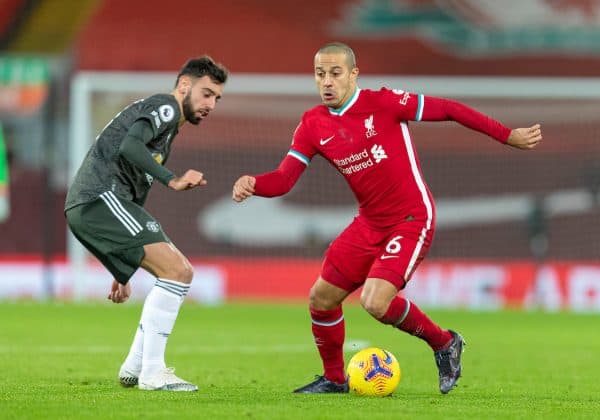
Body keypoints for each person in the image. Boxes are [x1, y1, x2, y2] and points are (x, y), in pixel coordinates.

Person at [232, 42, 542, 394]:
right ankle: (335, 379)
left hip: (411, 217)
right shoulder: (312, 124)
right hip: (369, 223)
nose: (327, 82)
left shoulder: (383, 102)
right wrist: (254, 183)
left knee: (375, 302)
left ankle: (444, 343)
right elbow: (284, 178)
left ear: (353, 74)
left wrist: (506, 135)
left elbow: (450, 109)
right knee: (321, 298)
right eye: (320, 74)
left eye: (335, 73)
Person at [65, 56, 228, 392]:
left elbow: (137, 187)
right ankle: (153, 373)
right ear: (185, 85)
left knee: (180, 271)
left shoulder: (166, 133)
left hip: (106, 204)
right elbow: (129, 146)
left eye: (216, 98)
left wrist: (120, 270)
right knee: (177, 271)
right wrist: (173, 179)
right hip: (100, 198)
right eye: (206, 93)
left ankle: (135, 366)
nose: (211, 104)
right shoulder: (165, 107)